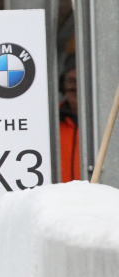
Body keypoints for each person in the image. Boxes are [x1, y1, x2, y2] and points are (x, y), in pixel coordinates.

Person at [60, 54, 80, 182]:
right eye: (71, 82)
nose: (76, 88)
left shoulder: (112, 122)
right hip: (57, 201)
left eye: (82, 82)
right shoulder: (48, 122)